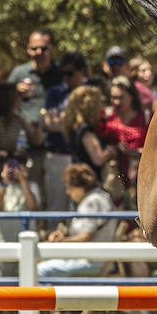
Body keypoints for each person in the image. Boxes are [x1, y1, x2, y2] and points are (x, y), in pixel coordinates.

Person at [40, 163, 121, 314]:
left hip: (90, 261)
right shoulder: (98, 198)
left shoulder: (92, 202)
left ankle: (60, 313)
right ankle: (65, 311)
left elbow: (86, 236)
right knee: (47, 268)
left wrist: (60, 242)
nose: (67, 192)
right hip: (93, 258)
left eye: (69, 187)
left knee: (40, 270)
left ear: (79, 187)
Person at [41, 51, 90, 212]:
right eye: (63, 73)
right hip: (58, 155)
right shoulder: (55, 93)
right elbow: (50, 124)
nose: (66, 78)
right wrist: (74, 120)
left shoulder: (91, 92)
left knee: (82, 205)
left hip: (85, 157)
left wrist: (63, 119)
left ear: (82, 71)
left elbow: (92, 122)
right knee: (56, 206)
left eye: (70, 73)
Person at [101, 75, 150, 192]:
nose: (116, 102)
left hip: (140, 176)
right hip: (112, 178)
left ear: (132, 96)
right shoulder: (106, 115)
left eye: (121, 97)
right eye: (113, 98)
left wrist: (137, 152)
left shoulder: (146, 117)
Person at [7, 29, 61, 124]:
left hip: (55, 131)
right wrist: (15, 90)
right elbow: (3, 98)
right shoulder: (19, 72)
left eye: (43, 48)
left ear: (51, 49)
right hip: (27, 132)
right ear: (28, 49)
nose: (39, 52)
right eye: (34, 49)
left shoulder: (62, 73)